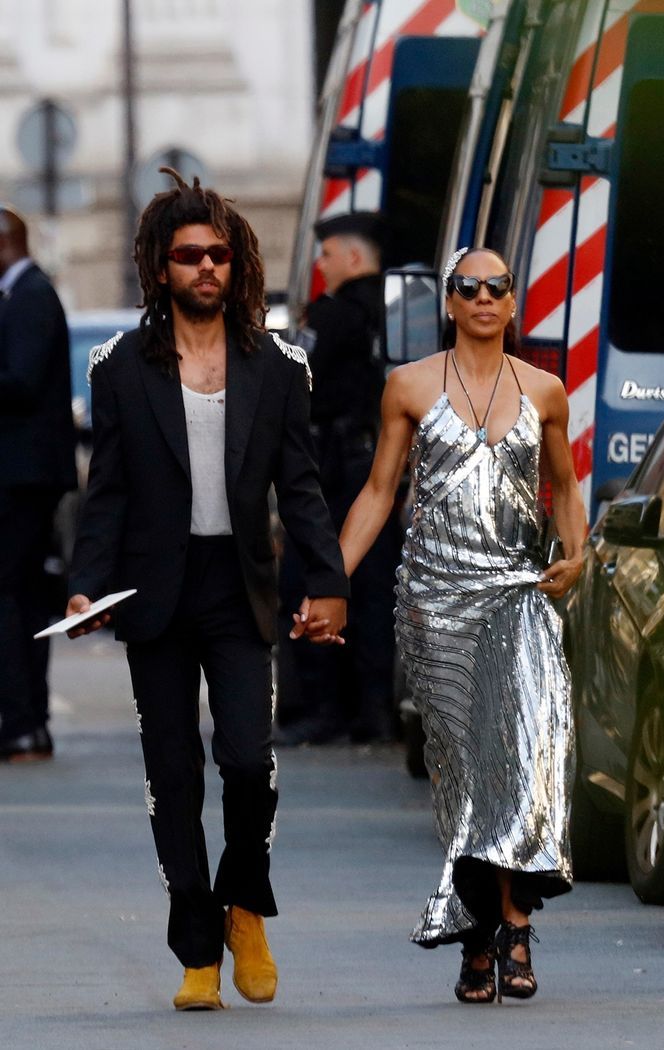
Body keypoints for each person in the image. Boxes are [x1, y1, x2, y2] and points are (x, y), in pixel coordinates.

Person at [66, 169, 348, 1011]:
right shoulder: (120, 370)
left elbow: (300, 485)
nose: (205, 268)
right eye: (188, 256)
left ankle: (245, 905)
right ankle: (196, 948)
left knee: (248, 761)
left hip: (238, 587)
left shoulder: (278, 366)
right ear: (160, 268)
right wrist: (86, 589)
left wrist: (327, 581)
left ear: (235, 263)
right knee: (173, 775)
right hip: (154, 593)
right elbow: (104, 491)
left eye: (218, 254)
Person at [298, 246, 587, 1002]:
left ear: (513, 303)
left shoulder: (547, 391)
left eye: (499, 287)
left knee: (527, 759)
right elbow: (377, 494)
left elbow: (564, 485)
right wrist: (332, 580)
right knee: (465, 779)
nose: (486, 297)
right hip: (436, 603)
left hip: (520, 596)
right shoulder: (409, 386)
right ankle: (476, 938)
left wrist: (578, 557)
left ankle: (516, 927)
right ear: (450, 304)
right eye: (470, 287)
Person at [279, 211, 400, 744]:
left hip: (332, 471)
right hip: (382, 465)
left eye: (326, 255)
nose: (321, 266)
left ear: (352, 258)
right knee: (374, 588)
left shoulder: (329, 316)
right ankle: (373, 711)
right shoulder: (403, 313)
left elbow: (294, 384)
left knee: (316, 581)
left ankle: (322, 709)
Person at [0, 204, 77, 762]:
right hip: (26, 473)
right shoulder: (25, 293)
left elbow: (21, 381)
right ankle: (29, 724)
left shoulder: (29, 294)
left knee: (10, 595)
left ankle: (21, 721)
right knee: (24, 596)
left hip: (21, 475)